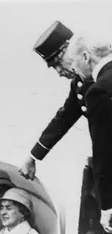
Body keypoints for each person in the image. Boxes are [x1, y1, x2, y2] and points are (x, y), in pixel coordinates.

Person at [19, 21, 93, 181]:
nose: (59, 72)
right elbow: (64, 119)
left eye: (58, 63)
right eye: (53, 66)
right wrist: (33, 156)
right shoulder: (79, 84)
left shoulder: (104, 74)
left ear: (72, 48)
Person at [66, 34, 112, 232]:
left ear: (86, 57)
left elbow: (104, 151)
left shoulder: (98, 91)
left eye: (74, 62)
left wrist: (107, 205)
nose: (73, 69)